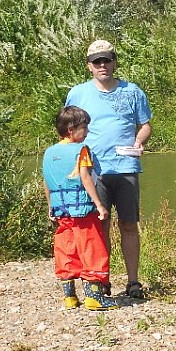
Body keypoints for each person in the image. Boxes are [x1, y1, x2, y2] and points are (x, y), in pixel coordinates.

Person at [65, 40, 152, 299]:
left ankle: (133, 282)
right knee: (99, 226)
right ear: (89, 66)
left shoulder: (132, 91)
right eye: (97, 61)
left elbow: (145, 125)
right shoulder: (78, 93)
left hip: (125, 168)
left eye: (107, 60)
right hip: (93, 171)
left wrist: (139, 141)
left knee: (128, 225)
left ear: (114, 61)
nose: (102, 65)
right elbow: (67, 129)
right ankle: (102, 280)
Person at [42, 106, 118, 310]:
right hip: (82, 211)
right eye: (84, 127)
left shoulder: (49, 152)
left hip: (61, 211)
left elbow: (46, 182)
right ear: (70, 129)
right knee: (92, 248)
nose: (87, 132)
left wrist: (50, 206)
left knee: (66, 249)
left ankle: (70, 297)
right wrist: (100, 205)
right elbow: (85, 177)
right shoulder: (81, 150)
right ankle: (94, 297)